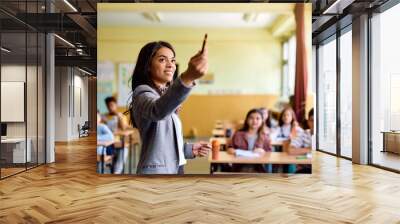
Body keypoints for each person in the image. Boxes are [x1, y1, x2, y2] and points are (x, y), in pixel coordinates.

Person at [128, 40, 211, 174]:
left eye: (172, 61)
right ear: (148, 65)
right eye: (162, 60)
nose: (170, 65)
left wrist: (189, 149)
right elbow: (157, 111)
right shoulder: (142, 93)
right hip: (157, 175)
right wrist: (188, 76)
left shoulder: (166, 98)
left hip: (177, 168)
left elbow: (163, 143)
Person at [287, 108, 313, 174]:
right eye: (312, 120)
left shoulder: (326, 137)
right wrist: (310, 149)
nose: (314, 123)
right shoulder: (303, 134)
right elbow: (291, 150)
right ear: (308, 122)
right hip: (306, 168)